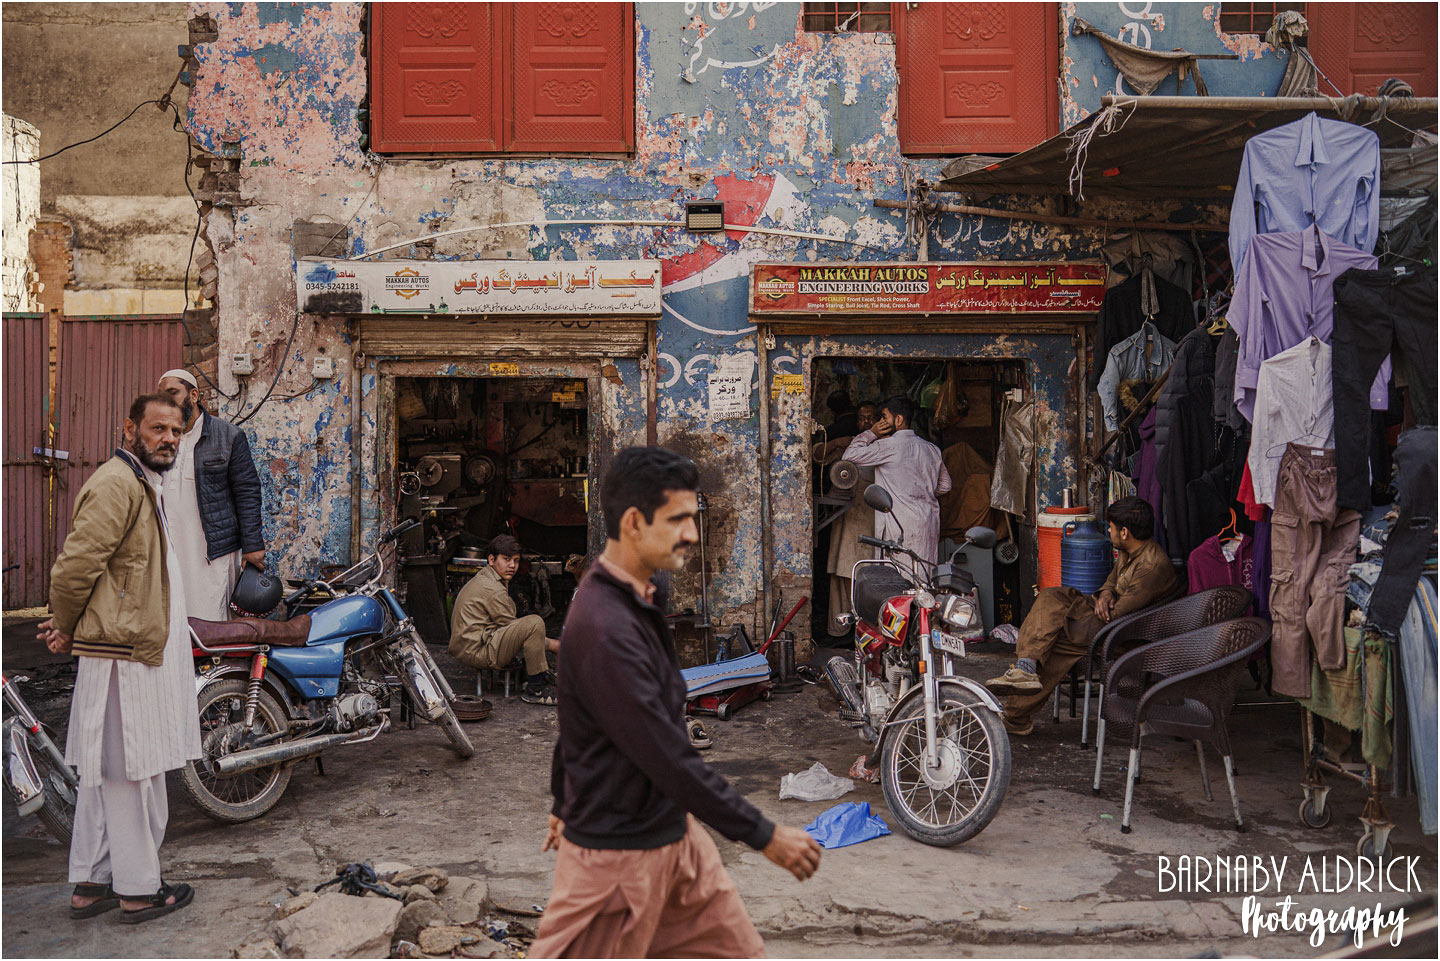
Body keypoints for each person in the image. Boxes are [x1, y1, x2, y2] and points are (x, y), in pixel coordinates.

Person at [532, 446, 821, 958]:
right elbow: (667, 755)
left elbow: (579, 718)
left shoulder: (646, 592)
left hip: (677, 841)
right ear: (635, 522)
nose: (692, 531)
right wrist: (765, 835)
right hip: (615, 859)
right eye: (680, 519)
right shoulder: (603, 626)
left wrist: (561, 797)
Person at [40, 393, 202, 923]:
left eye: (176, 432)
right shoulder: (115, 483)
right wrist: (64, 625)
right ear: (129, 428)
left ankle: (92, 882)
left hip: (136, 651)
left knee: (114, 771)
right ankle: (136, 889)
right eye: (157, 429)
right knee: (132, 769)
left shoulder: (139, 482)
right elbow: (75, 567)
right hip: (124, 657)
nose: (168, 440)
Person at [984, 496, 1178, 736]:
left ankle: (1015, 713)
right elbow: (1112, 581)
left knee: (1054, 640)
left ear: (1125, 532)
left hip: (1124, 633)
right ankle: (1025, 670)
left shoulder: (1151, 566)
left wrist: (1099, 603)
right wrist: (1106, 593)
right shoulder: (1131, 550)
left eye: (1111, 528)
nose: (1109, 531)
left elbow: (1118, 615)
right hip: (1107, 615)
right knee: (1051, 596)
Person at [155, 369, 265, 621]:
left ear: (193, 395)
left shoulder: (228, 436)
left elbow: (247, 491)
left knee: (210, 618)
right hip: (166, 547)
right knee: (169, 617)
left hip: (211, 551)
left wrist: (253, 545)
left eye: (172, 393)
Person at [841, 395, 952, 576]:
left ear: (899, 419)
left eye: (884, 417)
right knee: (923, 577)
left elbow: (849, 456)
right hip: (927, 521)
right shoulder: (931, 449)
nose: (880, 422)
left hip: (900, 525)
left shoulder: (888, 446)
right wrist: (920, 492)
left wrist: (872, 433)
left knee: (898, 580)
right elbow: (945, 485)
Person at [448, 534, 561, 705]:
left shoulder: (489, 578)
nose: (512, 566)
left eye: (515, 561)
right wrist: (553, 645)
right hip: (477, 650)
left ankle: (536, 674)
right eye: (506, 559)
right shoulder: (492, 588)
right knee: (534, 623)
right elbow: (518, 631)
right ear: (491, 559)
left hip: (475, 644)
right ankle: (536, 686)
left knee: (529, 626)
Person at [814, 401, 880, 639]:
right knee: (842, 574)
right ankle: (839, 632)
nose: (866, 422)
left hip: (873, 518)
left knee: (870, 575)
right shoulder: (850, 445)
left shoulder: (886, 447)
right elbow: (817, 455)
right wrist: (838, 443)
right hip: (847, 518)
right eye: (862, 418)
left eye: (871, 417)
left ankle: (869, 633)